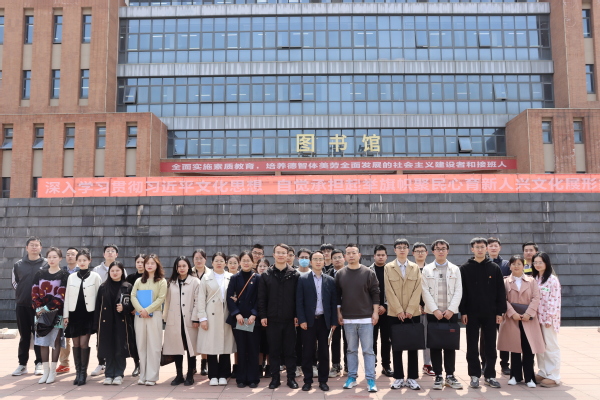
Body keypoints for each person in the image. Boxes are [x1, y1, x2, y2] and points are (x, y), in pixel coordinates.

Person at [460, 238, 506, 389]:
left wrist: (500, 312)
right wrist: (463, 311)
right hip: (471, 313)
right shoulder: (465, 268)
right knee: (472, 344)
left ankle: (490, 375)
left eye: (482, 247)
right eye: (477, 247)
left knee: (490, 345)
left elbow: (500, 291)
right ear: (472, 249)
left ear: (486, 249)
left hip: (490, 313)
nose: (480, 249)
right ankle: (474, 375)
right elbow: (462, 292)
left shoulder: (494, 268)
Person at [335, 243, 379, 393]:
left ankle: (370, 379)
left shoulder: (368, 273)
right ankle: (352, 377)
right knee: (351, 350)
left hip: (366, 319)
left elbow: (375, 293)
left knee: (368, 351)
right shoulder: (340, 274)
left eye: (354, 252)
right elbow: (337, 296)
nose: (351, 255)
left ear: (359, 255)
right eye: (348, 253)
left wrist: (375, 312)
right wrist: (339, 313)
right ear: (345, 256)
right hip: (348, 319)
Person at [421, 239, 463, 390]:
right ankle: (438, 376)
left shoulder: (455, 269)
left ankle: (450, 375)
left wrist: (451, 309)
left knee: (450, 345)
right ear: (433, 251)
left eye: (443, 248)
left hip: (451, 313)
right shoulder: (427, 270)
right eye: (438, 249)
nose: (440, 251)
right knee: (435, 345)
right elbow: (425, 291)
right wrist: (435, 310)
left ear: (447, 251)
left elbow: (458, 290)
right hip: (434, 313)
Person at [498, 255, 545, 388]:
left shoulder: (531, 281)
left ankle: (529, 377)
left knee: (528, 348)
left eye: (519, 264)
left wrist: (528, 313)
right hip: (513, 319)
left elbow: (536, 298)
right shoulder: (505, 282)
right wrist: (512, 313)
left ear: (523, 266)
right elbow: (503, 299)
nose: (516, 266)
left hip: (528, 319)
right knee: (515, 347)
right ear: (510, 266)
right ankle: (515, 376)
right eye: (513, 264)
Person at [258, 243, 300, 389]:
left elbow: (298, 298)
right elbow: (262, 298)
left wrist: (297, 315)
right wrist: (263, 315)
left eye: (284, 253)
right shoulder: (266, 275)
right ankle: (275, 379)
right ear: (273, 255)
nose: (281, 255)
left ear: (288, 255)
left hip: (289, 320)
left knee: (290, 351)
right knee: (274, 351)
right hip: (272, 319)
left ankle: (291, 378)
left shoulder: (294, 274)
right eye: (278, 252)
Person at [296, 250, 338, 392]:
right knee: (307, 352)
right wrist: (302, 319)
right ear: (311, 262)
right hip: (308, 322)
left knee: (324, 352)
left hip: (324, 321)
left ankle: (323, 381)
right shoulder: (303, 279)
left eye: (321, 259)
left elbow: (333, 303)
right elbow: (299, 302)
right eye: (315, 259)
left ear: (324, 262)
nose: (318, 262)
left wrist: (333, 322)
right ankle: (307, 380)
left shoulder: (330, 280)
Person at [384, 239, 422, 390]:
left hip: (413, 313)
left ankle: (412, 377)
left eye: (404, 247)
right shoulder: (388, 267)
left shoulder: (415, 267)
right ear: (394, 250)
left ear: (408, 250)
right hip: (395, 314)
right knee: (397, 345)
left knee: (413, 345)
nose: (402, 250)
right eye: (399, 247)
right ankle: (399, 377)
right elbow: (388, 290)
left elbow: (418, 289)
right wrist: (399, 310)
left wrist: (410, 309)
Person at [93, 261, 138, 386]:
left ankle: (118, 374)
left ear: (122, 272)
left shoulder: (127, 286)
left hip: (121, 322)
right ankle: (108, 374)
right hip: (106, 322)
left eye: (117, 270)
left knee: (120, 348)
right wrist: (96, 325)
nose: (115, 273)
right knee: (108, 348)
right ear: (109, 272)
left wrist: (124, 308)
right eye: (112, 271)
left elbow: (133, 305)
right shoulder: (103, 287)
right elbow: (98, 307)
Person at [63, 248, 103, 386]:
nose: (82, 262)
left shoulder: (95, 276)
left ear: (89, 261)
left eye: (84, 260)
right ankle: (78, 372)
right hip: (74, 314)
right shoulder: (71, 277)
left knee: (83, 343)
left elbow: (99, 298)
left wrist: (98, 316)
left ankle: (83, 373)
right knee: (75, 344)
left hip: (88, 314)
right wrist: (66, 315)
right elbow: (67, 297)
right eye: (79, 260)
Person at [196, 252, 236, 386]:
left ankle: (224, 374)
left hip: (226, 314)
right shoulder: (206, 277)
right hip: (210, 315)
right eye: (216, 261)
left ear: (225, 263)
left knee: (225, 345)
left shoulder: (230, 277)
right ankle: (213, 374)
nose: (219, 263)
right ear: (212, 263)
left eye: (221, 260)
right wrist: (202, 317)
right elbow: (201, 298)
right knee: (211, 346)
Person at [32, 247, 69, 384]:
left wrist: (47, 308)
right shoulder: (39, 273)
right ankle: (46, 371)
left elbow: (62, 294)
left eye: (55, 257)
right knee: (42, 341)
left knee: (55, 341)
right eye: (49, 257)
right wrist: (39, 307)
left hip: (57, 313)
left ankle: (53, 372)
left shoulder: (64, 275)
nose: (52, 260)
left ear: (60, 258)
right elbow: (34, 291)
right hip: (40, 313)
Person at [12, 236, 47, 377]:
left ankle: (39, 363)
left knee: (39, 335)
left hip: (40, 307)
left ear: (40, 248)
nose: (34, 247)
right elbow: (15, 283)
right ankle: (22, 364)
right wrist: (23, 293)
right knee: (24, 336)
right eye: (31, 245)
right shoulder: (18, 264)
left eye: (36, 245)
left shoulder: (46, 263)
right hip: (22, 305)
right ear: (26, 248)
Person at [163, 256, 200, 386]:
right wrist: (166, 318)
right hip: (174, 320)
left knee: (190, 348)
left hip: (189, 319)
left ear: (188, 266)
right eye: (179, 266)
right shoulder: (171, 282)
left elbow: (197, 301)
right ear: (176, 268)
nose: (181, 268)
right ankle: (179, 375)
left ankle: (190, 374)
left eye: (184, 265)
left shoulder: (195, 282)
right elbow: (167, 302)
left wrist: (196, 318)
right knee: (176, 347)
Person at [131, 254, 167, 386]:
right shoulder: (139, 281)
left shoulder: (162, 281)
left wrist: (148, 310)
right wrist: (141, 310)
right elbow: (133, 296)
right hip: (140, 316)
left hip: (155, 315)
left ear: (157, 265)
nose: (149, 265)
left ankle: (152, 376)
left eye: (152, 263)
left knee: (154, 346)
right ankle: (143, 375)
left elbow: (161, 298)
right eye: (147, 263)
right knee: (141, 345)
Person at [226, 251, 261, 388]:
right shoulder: (234, 278)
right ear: (240, 262)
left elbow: (260, 298)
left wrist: (254, 314)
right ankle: (241, 378)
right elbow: (229, 297)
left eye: (248, 260)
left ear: (253, 262)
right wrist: (236, 313)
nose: (246, 263)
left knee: (253, 349)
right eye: (243, 260)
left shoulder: (258, 278)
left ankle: (253, 378)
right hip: (239, 319)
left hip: (253, 319)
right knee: (241, 349)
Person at [91, 244, 123, 377]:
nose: (110, 253)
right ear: (103, 254)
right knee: (102, 339)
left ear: (116, 254)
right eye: (107, 251)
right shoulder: (96, 270)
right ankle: (101, 364)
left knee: (117, 340)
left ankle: (117, 370)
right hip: (103, 306)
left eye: (112, 251)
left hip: (117, 309)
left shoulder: (121, 270)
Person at [532, 252, 562, 388]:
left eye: (540, 262)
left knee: (551, 346)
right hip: (536, 319)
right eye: (535, 262)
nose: (537, 265)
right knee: (540, 346)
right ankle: (543, 372)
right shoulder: (535, 278)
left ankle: (554, 376)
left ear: (546, 263)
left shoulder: (552, 279)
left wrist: (549, 317)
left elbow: (554, 300)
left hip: (548, 319)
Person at [482, 238, 511, 376]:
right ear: (487, 248)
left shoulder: (506, 265)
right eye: (491, 246)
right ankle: (484, 363)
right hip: (486, 307)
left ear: (500, 248)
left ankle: (505, 364)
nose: (493, 248)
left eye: (495, 246)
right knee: (485, 338)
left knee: (504, 336)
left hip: (502, 306)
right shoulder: (482, 263)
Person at [369, 244, 393, 378]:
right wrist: (375, 307)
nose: (380, 257)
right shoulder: (368, 271)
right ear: (374, 256)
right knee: (371, 340)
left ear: (386, 256)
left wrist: (385, 306)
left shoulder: (391, 270)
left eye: (383, 255)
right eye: (378, 255)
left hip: (388, 312)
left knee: (386, 340)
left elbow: (394, 291)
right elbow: (366, 292)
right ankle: (371, 365)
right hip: (372, 312)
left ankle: (386, 366)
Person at [412, 242, 434, 377]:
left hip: (428, 309)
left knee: (428, 338)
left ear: (427, 253)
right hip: (412, 309)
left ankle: (427, 364)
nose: (420, 253)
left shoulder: (431, 269)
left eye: (422, 251)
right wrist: (416, 305)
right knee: (412, 338)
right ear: (413, 253)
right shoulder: (409, 268)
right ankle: (412, 367)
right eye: (417, 251)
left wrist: (427, 306)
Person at [57, 248, 79, 374]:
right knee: (64, 336)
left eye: (73, 254)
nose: (70, 256)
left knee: (77, 337)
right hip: (62, 307)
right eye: (68, 254)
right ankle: (64, 363)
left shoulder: (81, 271)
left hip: (77, 307)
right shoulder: (61, 271)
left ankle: (79, 364)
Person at [125, 253, 146, 377]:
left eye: (142, 262)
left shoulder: (150, 277)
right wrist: (132, 308)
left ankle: (146, 364)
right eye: (138, 262)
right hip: (132, 314)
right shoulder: (130, 278)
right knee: (134, 339)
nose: (140, 264)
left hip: (146, 312)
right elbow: (127, 294)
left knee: (145, 339)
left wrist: (139, 309)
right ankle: (137, 364)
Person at [327, 248, 347, 377]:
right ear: (331, 260)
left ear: (344, 258)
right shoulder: (327, 274)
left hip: (349, 311)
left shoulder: (350, 272)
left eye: (339, 257)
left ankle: (349, 365)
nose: (337, 260)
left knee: (349, 340)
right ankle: (335, 365)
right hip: (333, 312)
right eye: (334, 258)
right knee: (335, 339)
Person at [294, 248, 312, 378]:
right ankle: (297, 365)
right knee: (296, 341)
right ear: (297, 258)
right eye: (302, 257)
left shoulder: (314, 273)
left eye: (306, 257)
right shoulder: (294, 274)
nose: (304, 260)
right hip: (296, 314)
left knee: (311, 342)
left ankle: (312, 365)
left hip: (310, 314)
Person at [191, 249, 208, 375]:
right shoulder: (189, 272)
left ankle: (204, 363)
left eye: (201, 258)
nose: (198, 260)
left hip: (206, 309)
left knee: (204, 338)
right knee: (192, 338)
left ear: (205, 259)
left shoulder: (210, 273)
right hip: (191, 309)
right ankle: (192, 365)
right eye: (196, 258)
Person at [255, 257, 270, 377]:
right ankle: (259, 367)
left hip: (268, 316)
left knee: (269, 343)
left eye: (264, 266)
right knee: (258, 344)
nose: (262, 268)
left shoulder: (270, 279)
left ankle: (269, 367)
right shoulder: (253, 279)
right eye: (260, 266)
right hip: (254, 316)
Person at [226, 254, 240, 378]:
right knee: (226, 341)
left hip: (238, 313)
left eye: (235, 262)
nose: (232, 265)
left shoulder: (240, 276)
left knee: (238, 342)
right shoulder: (223, 276)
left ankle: (237, 366)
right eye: (230, 262)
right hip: (225, 313)